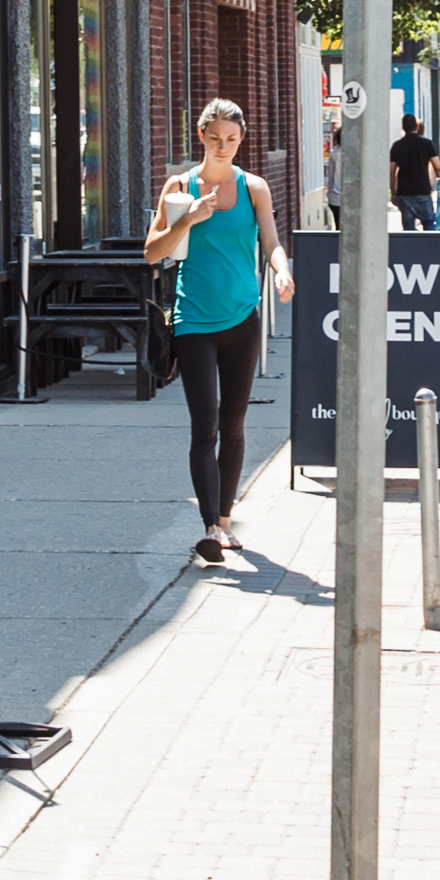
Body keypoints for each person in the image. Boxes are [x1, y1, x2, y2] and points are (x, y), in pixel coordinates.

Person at [143, 99, 291, 563]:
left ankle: (225, 521)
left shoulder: (255, 188)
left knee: (234, 424)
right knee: (204, 424)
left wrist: (282, 272)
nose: (223, 147)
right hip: (193, 321)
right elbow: (152, 252)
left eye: (231, 140)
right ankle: (210, 526)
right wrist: (189, 217)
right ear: (201, 136)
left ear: (241, 139)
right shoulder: (180, 186)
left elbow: (271, 241)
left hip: (243, 318)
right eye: (214, 139)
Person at [387, 114, 440, 229]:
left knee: (408, 228)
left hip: (404, 191)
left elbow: (392, 171)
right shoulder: (427, 143)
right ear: (416, 126)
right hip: (423, 190)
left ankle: (410, 247)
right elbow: (438, 167)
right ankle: (430, 247)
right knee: (429, 223)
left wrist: (393, 192)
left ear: (403, 127)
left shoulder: (397, 146)